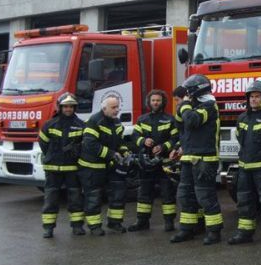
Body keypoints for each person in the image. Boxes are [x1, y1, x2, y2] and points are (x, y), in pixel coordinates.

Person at [171, 74, 224, 245]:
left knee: (206, 197)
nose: (187, 94)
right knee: (185, 195)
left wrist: (185, 105)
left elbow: (192, 121)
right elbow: (181, 124)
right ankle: (187, 229)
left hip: (204, 159)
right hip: (188, 157)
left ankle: (214, 232)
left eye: (189, 91)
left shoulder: (209, 106)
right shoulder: (192, 106)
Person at [228, 80, 261, 246]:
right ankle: (245, 233)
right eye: (251, 97)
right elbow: (240, 138)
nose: (253, 100)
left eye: (257, 96)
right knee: (244, 202)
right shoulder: (242, 118)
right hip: (245, 169)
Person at [127, 89, 179, 232]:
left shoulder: (170, 119)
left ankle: (169, 223)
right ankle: (142, 222)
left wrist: (163, 147)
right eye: (153, 100)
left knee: (167, 193)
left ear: (163, 102)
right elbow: (134, 137)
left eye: (158, 100)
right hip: (146, 162)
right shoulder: (142, 119)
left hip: (164, 163)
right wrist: (143, 140)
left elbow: (175, 139)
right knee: (144, 193)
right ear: (149, 102)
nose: (155, 102)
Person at [39, 93, 86, 238]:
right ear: (60, 107)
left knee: (75, 198)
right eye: (65, 106)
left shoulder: (80, 125)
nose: (68, 109)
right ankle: (48, 228)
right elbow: (43, 143)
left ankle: (77, 226)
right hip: (53, 169)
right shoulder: (50, 124)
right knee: (51, 199)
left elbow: (85, 145)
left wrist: (76, 150)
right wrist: (52, 155)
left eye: (71, 106)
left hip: (72, 169)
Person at [79, 96, 128, 236]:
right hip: (92, 166)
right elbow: (90, 144)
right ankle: (94, 226)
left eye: (118, 107)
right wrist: (112, 154)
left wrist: (124, 151)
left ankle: (115, 222)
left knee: (118, 194)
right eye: (113, 107)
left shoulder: (117, 123)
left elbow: (120, 142)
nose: (117, 110)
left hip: (110, 165)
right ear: (104, 108)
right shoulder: (94, 121)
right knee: (94, 196)